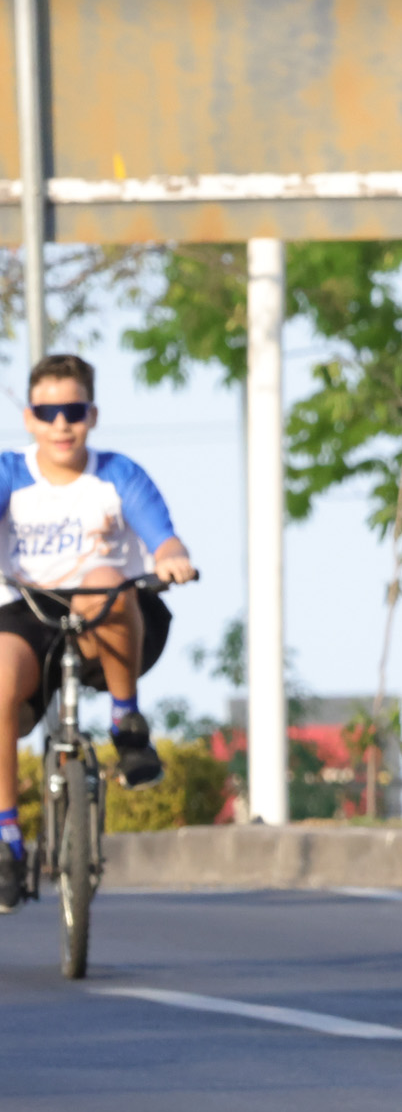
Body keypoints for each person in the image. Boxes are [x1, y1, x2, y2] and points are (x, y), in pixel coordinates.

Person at [0, 353, 199, 911]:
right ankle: (7, 836)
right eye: (48, 411)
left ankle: (124, 721)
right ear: (30, 418)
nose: (61, 424)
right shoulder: (10, 474)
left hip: (110, 616)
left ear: (92, 412)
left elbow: (163, 536)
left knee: (106, 578)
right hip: (26, 611)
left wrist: (172, 556)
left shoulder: (117, 474)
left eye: (73, 410)